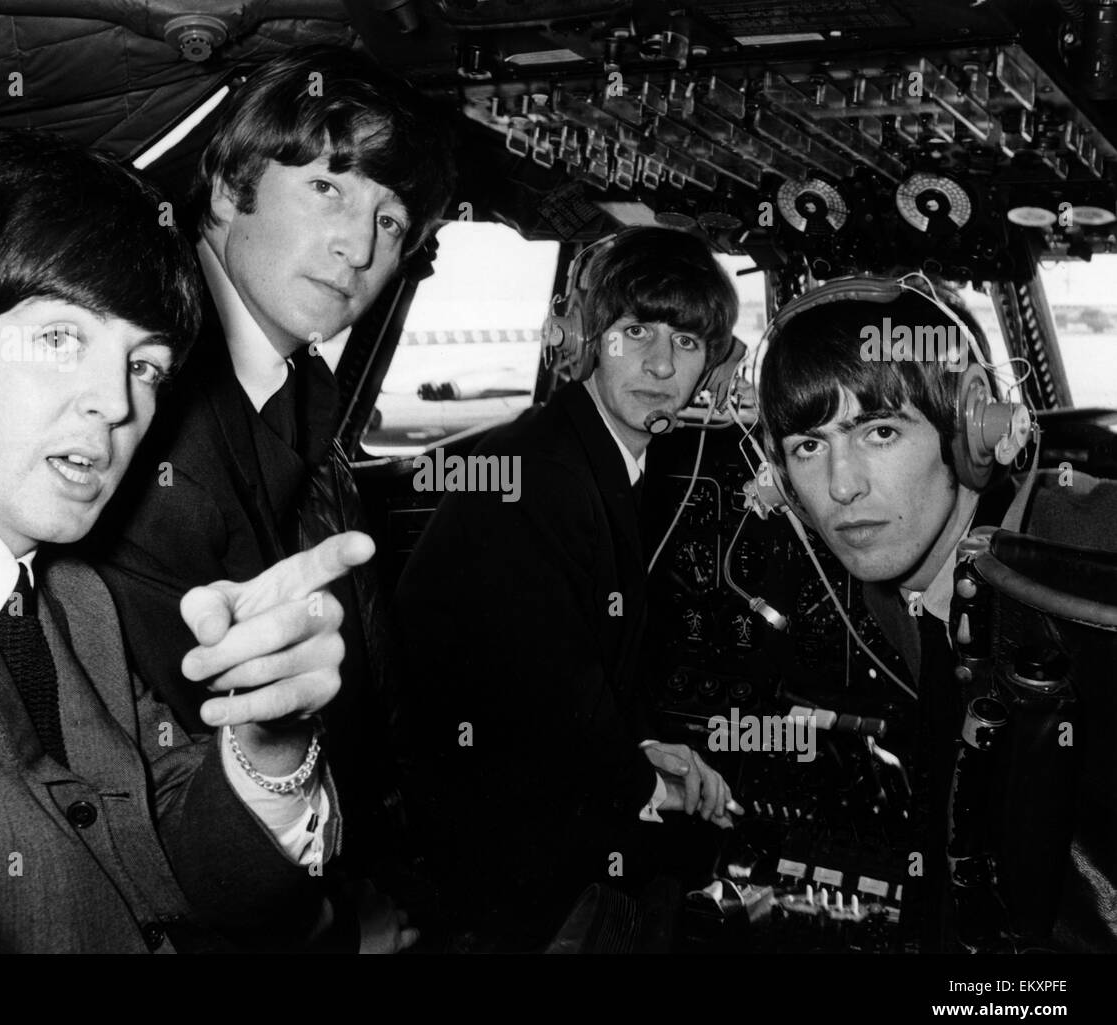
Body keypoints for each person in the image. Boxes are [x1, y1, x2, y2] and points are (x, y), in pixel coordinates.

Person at [0, 130, 410, 953]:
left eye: (146, 367)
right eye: (62, 338)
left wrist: (268, 738)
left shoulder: (70, 598)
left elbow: (173, 860)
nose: (116, 403)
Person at [90, 45, 455, 865]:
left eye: (389, 221)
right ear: (227, 190)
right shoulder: (151, 412)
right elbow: (174, 758)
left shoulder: (295, 395)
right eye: (328, 187)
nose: (357, 249)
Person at [395, 226, 743, 951]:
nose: (658, 363)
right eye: (635, 330)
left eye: (686, 343)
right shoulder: (540, 472)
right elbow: (547, 686)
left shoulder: (585, 453)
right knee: (699, 869)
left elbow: (585, 663)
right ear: (590, 337)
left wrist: (649, 744)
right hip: (491, 844)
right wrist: (650, 786)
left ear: (711, 365)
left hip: (518, 794)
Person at [756, 280, 1117, 951]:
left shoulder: (1070, 543)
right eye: (808, 446)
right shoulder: (895, 595)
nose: (841, 486)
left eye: (880, 431)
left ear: (971, 433)